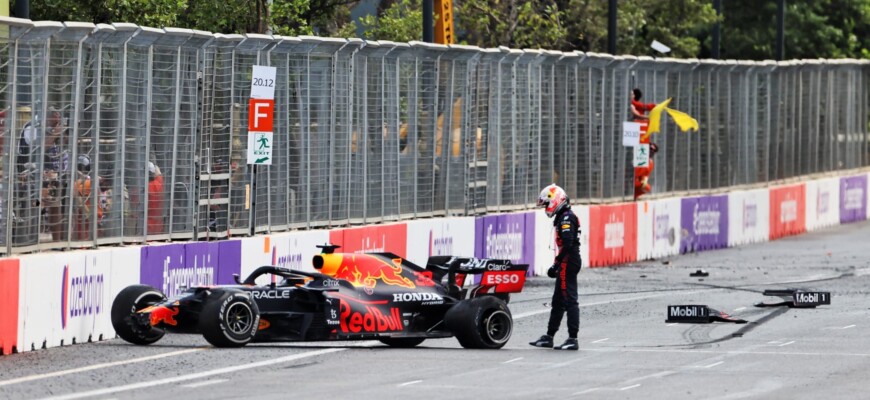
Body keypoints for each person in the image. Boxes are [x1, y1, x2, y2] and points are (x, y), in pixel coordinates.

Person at [530, 184, 581, 351]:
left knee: (570, 300)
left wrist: (556, 264)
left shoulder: (566, 218)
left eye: (546, 204)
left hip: (568, 261)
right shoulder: (562, 216)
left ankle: (573, 338)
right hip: (566, 261)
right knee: (558, 301)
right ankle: (549, 336)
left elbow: (568, 244)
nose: (546, 207)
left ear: (555, 200)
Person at [147, 161, 165, 235]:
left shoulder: (145, 188)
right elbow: (159, 174)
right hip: (159, 226)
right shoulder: (159, 183)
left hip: (147, 227)